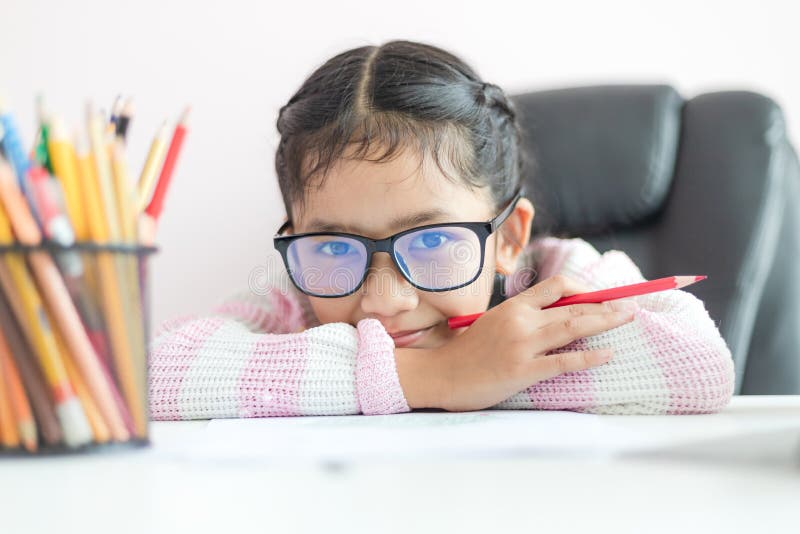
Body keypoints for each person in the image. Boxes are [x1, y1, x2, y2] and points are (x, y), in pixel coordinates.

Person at [148, 40, 734, 420]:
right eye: (331, 243)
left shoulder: (564, 276)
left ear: (507, 239)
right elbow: (151, 375)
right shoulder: (299, 291)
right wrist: (436, 376)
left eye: (430, 241)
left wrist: (483, 371)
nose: (382, 301)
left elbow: (699, 367)